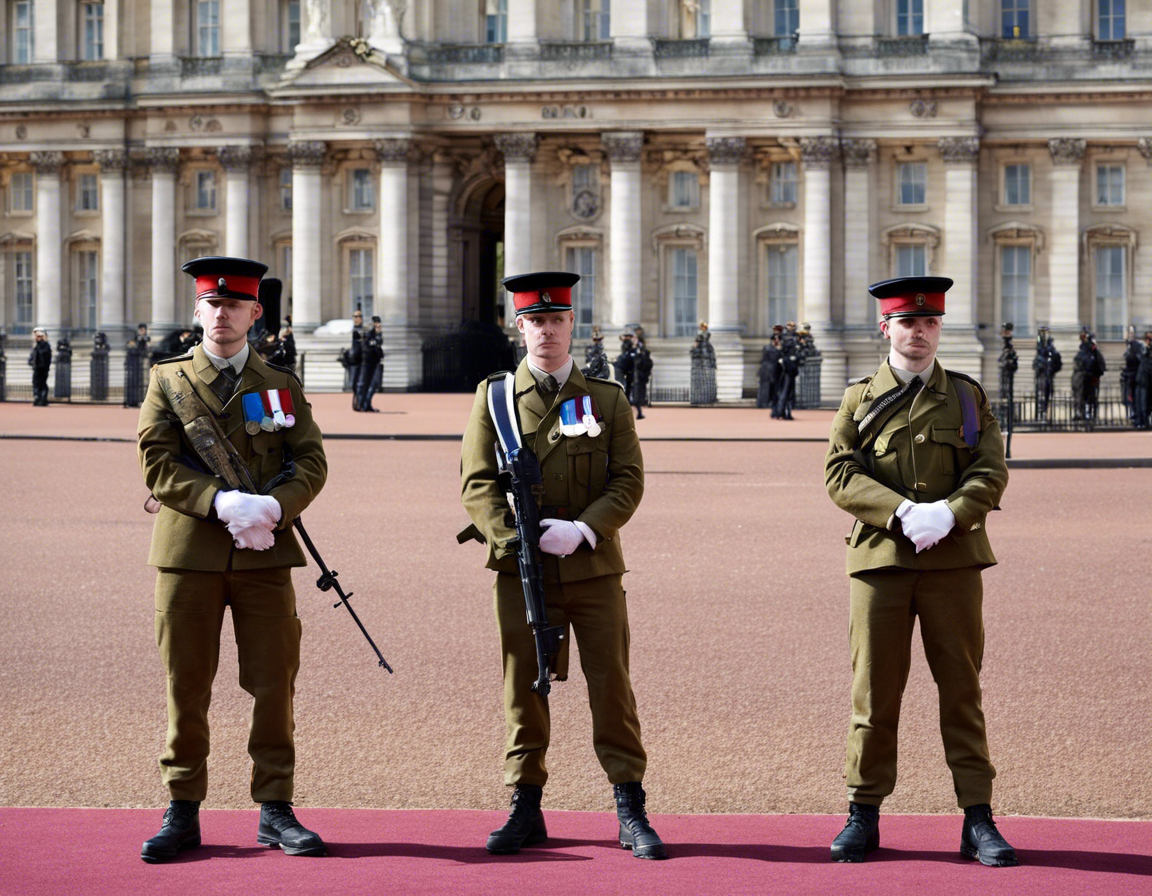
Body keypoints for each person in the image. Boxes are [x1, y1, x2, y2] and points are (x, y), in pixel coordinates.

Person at [460, 271, 666, 861]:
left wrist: (582, 530)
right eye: (535, 321)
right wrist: (517, 539)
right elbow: (477, 485)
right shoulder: (493, 397)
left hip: (594, 569)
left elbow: (628, 480)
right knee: (525, 689)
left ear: (572, 324)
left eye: (556, 320)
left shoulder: (607, 398)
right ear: (518, 326)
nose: (546, 331)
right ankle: (525, 806)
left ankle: (630, 807)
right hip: (522, 569)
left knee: (612, 689)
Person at [136, 255, 328, 863]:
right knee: (186, 685)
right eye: (212, 304)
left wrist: (272, 509)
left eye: (234, 305)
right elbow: (158, 463)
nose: (222, 314)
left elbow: (312, 461)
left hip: (265, 555)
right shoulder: (167, 379)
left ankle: (274, 808)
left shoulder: (280, 384)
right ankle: (183, 807)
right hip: (188, 553)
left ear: (255, 313)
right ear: (198, 310)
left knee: (274, 685)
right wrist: (220, 502)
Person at [824, 276, 1017, 867]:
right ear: (887, 328)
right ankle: (864, 812)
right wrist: (901, 512)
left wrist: (952, 513)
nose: (921, 332)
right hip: (881, 560)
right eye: (909, 322)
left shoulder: (965, 395)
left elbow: (990, 469)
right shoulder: (860, 396)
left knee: (962, 691)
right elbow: (838, 473)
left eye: (930, 322)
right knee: (874, 693)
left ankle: (977, 817)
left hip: (953, 560)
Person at [356, 315, 385, 412]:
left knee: (374, 384)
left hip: (375, 361)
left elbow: (379, 343)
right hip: (366, 362)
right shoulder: (367, 333)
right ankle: (362, 404)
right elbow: (367, 346)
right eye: (376, 322)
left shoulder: (377, 334)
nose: (377, 324)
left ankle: (367, 404)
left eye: (378, 322)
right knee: (364, 383)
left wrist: (378, 334)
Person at [629, 330, 652, 420]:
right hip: (632, 375)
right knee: (633, 396)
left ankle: (638, 413)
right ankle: (637, 413)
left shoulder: (642, 351)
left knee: (637, 397)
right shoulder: (632, 349)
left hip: (638, 376)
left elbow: (643, 362)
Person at [28, 326, 51, 406]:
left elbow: (44, 355)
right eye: (37, 336)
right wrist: (31, 361)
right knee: (35, 383)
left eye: (40, 336)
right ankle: (37, 398)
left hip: (43, 368)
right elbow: (33, 355)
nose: (38, 338)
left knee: (42, 383)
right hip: (37, 368)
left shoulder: (45, 345)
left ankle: (43, 399)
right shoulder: (36, 346)